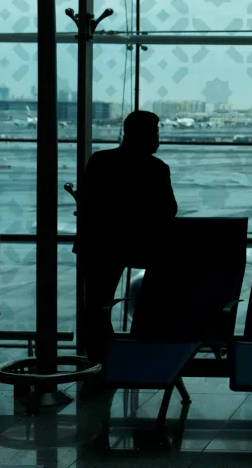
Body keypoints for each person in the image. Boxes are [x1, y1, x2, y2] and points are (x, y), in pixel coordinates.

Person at [76, 110, 177, 375]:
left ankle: (99, 363)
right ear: (144, 135)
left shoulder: (99, 161)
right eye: (156, 132)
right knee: (158, 298)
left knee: (96, 306)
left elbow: (88, 204)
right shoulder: (156, 168)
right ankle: (146, 354)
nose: (158, 138)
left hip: (101, 245)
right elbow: (169, 211)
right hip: (140, 245)